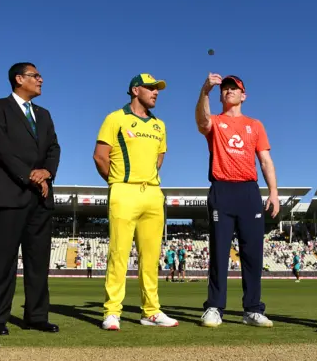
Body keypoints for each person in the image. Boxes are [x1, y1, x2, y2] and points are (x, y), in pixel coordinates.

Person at [93, 73, 179, 331]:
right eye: (150, 88)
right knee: (118, 254)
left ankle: (151, 311)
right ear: (134, 90)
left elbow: (159, 157)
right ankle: (112, 312)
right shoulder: (115, 118)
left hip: (153, 193)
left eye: (157, 89)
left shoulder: (159, 125)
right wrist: (118, 182)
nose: (156, 92)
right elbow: (100, 156)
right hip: (124, 192)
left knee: (151, 258)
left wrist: (147, 179)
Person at [194, 73, 280, 328]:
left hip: (249, 192)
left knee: (253, 254)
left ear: (244, 95)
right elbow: (201, 121)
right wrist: (205, 91)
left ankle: (252, 309)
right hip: (222, 190)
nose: (229, 91)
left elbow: (265, 160)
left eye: (234, 89)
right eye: (226, 89)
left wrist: (273, 192)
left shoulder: (255, 125)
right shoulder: (216, 122)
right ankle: (214, 307)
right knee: (220, 252)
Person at [0, 62, 61, 336]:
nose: (40, 79)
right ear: (18, 79)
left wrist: (47, 172)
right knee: (2, 261)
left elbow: (53, 147)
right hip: (8, 193)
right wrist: (29, 175)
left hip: (40, 197)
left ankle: (36, 316)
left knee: (38, 262)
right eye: (35, 75)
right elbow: (0, 146)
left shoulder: (44, 114)